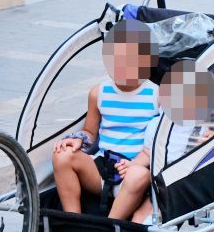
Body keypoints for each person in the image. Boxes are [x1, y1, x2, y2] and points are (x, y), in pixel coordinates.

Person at [52, 19, 159, 221]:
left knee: (139, 175)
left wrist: (138, 164)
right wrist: (79, 140)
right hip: (102, 169)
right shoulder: (99, 93)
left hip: (134, 172)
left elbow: (164, 140)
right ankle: (73, 218)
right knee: (62, 155)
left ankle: (111, 224)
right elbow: (91, 132)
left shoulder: (157, 96)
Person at [131, 60, 214, 223]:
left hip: (178, 185)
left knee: (145, 216)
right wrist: (130, 167)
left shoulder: (202, 128)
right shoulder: (157, 125)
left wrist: (211, 138)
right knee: (136, 213)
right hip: (155, 182)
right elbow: (146, 154)